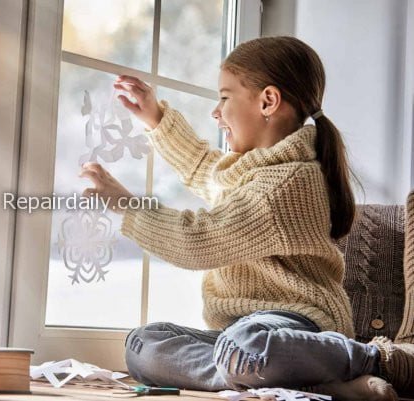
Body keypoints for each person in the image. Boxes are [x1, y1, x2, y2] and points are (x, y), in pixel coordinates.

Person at [79, 36, 414, 401]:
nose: (216, 111)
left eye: (224, 97)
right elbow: (203, 169)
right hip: (239, 333)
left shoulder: (287, 183)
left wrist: (127, 206)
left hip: (295, 323)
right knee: (143, 343)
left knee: (246, 347)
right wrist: (156, 118)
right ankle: (303, 381)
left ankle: (373, 360)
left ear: (267, 101)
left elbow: (199, 241)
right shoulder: (250, 172)